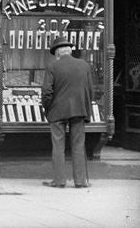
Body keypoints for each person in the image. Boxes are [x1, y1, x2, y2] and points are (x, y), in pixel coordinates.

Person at [41, 37, 94, 189]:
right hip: (79, 110)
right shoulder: (84, 65)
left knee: (58, 146)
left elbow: (46, 92)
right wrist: (85, 106)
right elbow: (91, 90)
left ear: (57, 53)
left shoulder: (52, 66)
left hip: (57, 111)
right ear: (70, 51)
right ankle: (80, 181)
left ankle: (59, 181)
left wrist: (47, 108)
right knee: (78, 145)